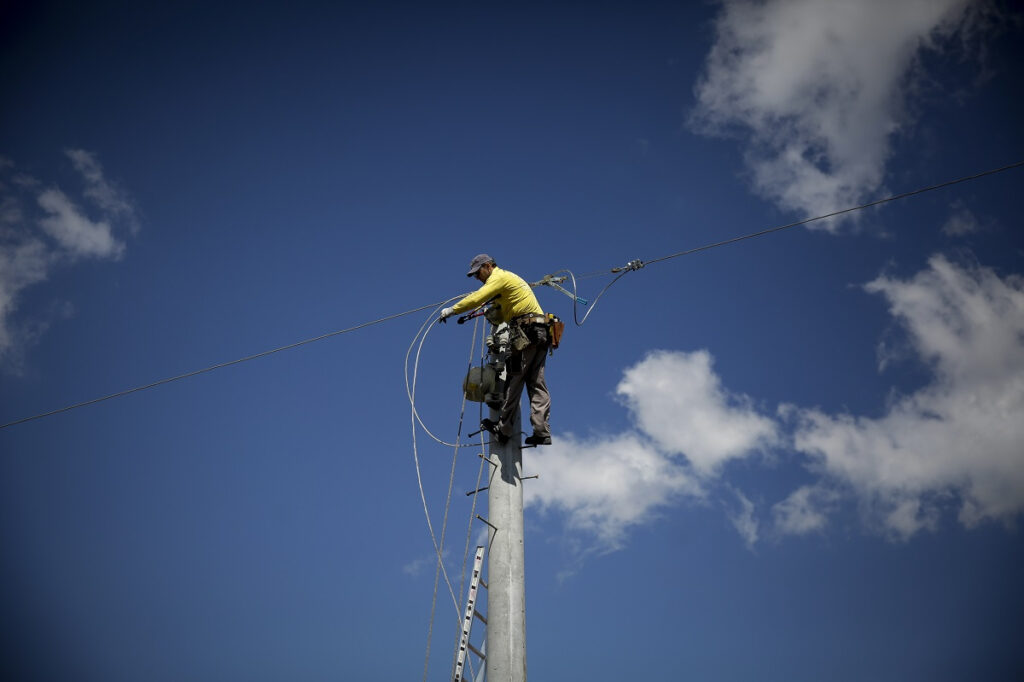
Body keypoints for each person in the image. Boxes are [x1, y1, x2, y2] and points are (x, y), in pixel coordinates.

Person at [439, 254, 552, 446]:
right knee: (536, 384)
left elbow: (477, 297)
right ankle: (541, 431)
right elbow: (499, 314)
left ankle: (503, 429)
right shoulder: (507, 283)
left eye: (478, 273)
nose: (477, 278)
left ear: (488, 266)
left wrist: (452, 310)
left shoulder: (498, 278)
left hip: (525, 334)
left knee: (513, 381)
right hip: (540, 333)